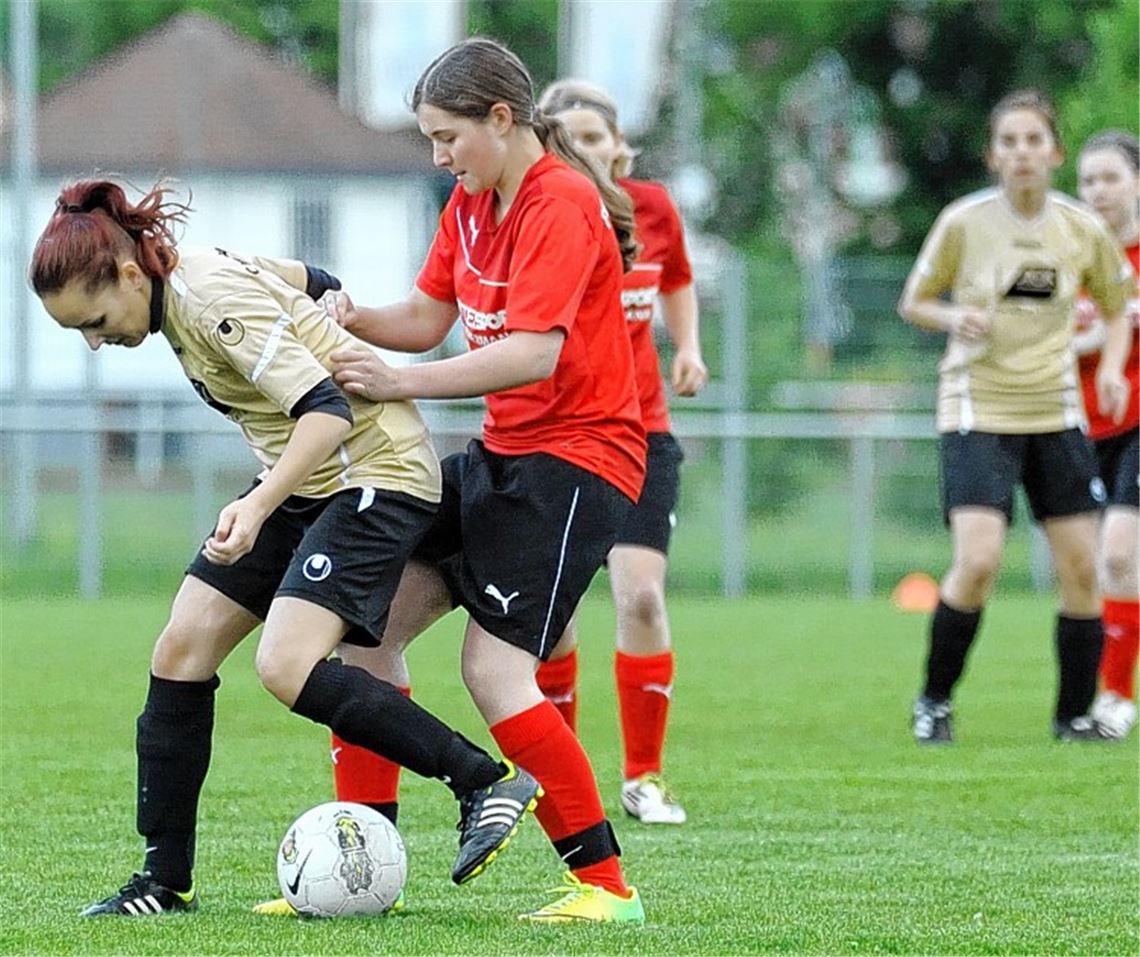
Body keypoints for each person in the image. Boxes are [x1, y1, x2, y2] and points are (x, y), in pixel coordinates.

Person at [29, 179, 540, 917]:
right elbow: (315, 280)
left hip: (375, 471)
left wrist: (257, 501)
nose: (95, 339)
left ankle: (481, 779)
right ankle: (163, 881)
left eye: (97, 319)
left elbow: (327, 412)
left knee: (284, 663)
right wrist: (324, 312)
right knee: (181, 649)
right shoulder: (185, 277)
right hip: (307, 479)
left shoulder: (207, 300)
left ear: (132, 274)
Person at [261, 37, 649, 924]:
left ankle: (605, 889)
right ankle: (362, 862)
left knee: (493, 671)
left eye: (447, 137)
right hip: (503, 454)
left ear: (502, 119)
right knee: (367, 631)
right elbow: (432, 314)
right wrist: (357, 317)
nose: (438, 157)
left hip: (579, 461)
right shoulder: (473, 203)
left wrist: (399, 379)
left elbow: (532, 354)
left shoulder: (562, 202)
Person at [896, 90, 1134, 744]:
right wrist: (952, 316)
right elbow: (913, 300)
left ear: (1054, 152)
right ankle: (935, 699)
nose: (1022, 153)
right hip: (977, 406)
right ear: (993, 155)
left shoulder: (1079, 227)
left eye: (1034, 141)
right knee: (978, 560)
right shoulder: (963, 222)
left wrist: (1111, 368)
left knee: (1082, 567)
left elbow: (1119, 307)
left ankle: (1074, 715)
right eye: (1010, 142)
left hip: (1054, 410)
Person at [529, 78, 707, 825]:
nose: (585, 150)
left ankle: (644, 776)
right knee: (555, 615)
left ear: (618, 146)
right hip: (558, 436)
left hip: (641, 432)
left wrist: (688, 347)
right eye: (568, 138)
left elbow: (681, 281)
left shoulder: (653, 208)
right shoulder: (545, 216)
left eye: (596, 137)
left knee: (639, 594)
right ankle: (563, 785)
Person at [1074, 130, 1140, 739]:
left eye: (1111, 177)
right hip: (1083, 426)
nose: (1098, 191)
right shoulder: (1069, 262)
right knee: (1093, 568)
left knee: (1121, 554)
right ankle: (1094, 696)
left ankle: (1116, 699)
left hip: (1138, 423)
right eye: (1088, 180)